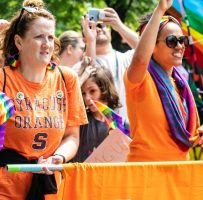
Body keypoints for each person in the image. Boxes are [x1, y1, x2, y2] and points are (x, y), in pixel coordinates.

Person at [0, 0, 87, 199]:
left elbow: (72, 137)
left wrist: (59, 157)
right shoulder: (2, 80)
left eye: (50, 36)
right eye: (39, 37)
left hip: (50, 188)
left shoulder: (67, 79)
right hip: (5, 188)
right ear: (19, 42)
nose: (47, 44)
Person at [124, 0, 203, 162]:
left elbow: (186, 135)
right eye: (172, 41)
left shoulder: (182, 85)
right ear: (153, 46)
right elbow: (140, 59)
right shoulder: (140, 78)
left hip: (179, 173)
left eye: (183, 41)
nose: (179, 46)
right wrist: (160, 10)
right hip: (146, 172)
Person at [77, 8, 139, 120]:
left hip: (131, 129)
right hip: (101, 132)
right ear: (84, 39)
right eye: (91, 27)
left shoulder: (126, 58)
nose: (98, 29)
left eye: (100, 26)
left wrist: (119, 25)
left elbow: (146, 50)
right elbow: (88, 74)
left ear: (110, 31)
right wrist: (91, 40)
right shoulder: (79, 67)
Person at [72, 56, 122, 162]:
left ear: (105, 89)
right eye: (83, 93)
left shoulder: (119, 122)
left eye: (92, 91)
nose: (87, 98)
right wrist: (80, 79)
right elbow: (66, 102)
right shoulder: (81, 120)